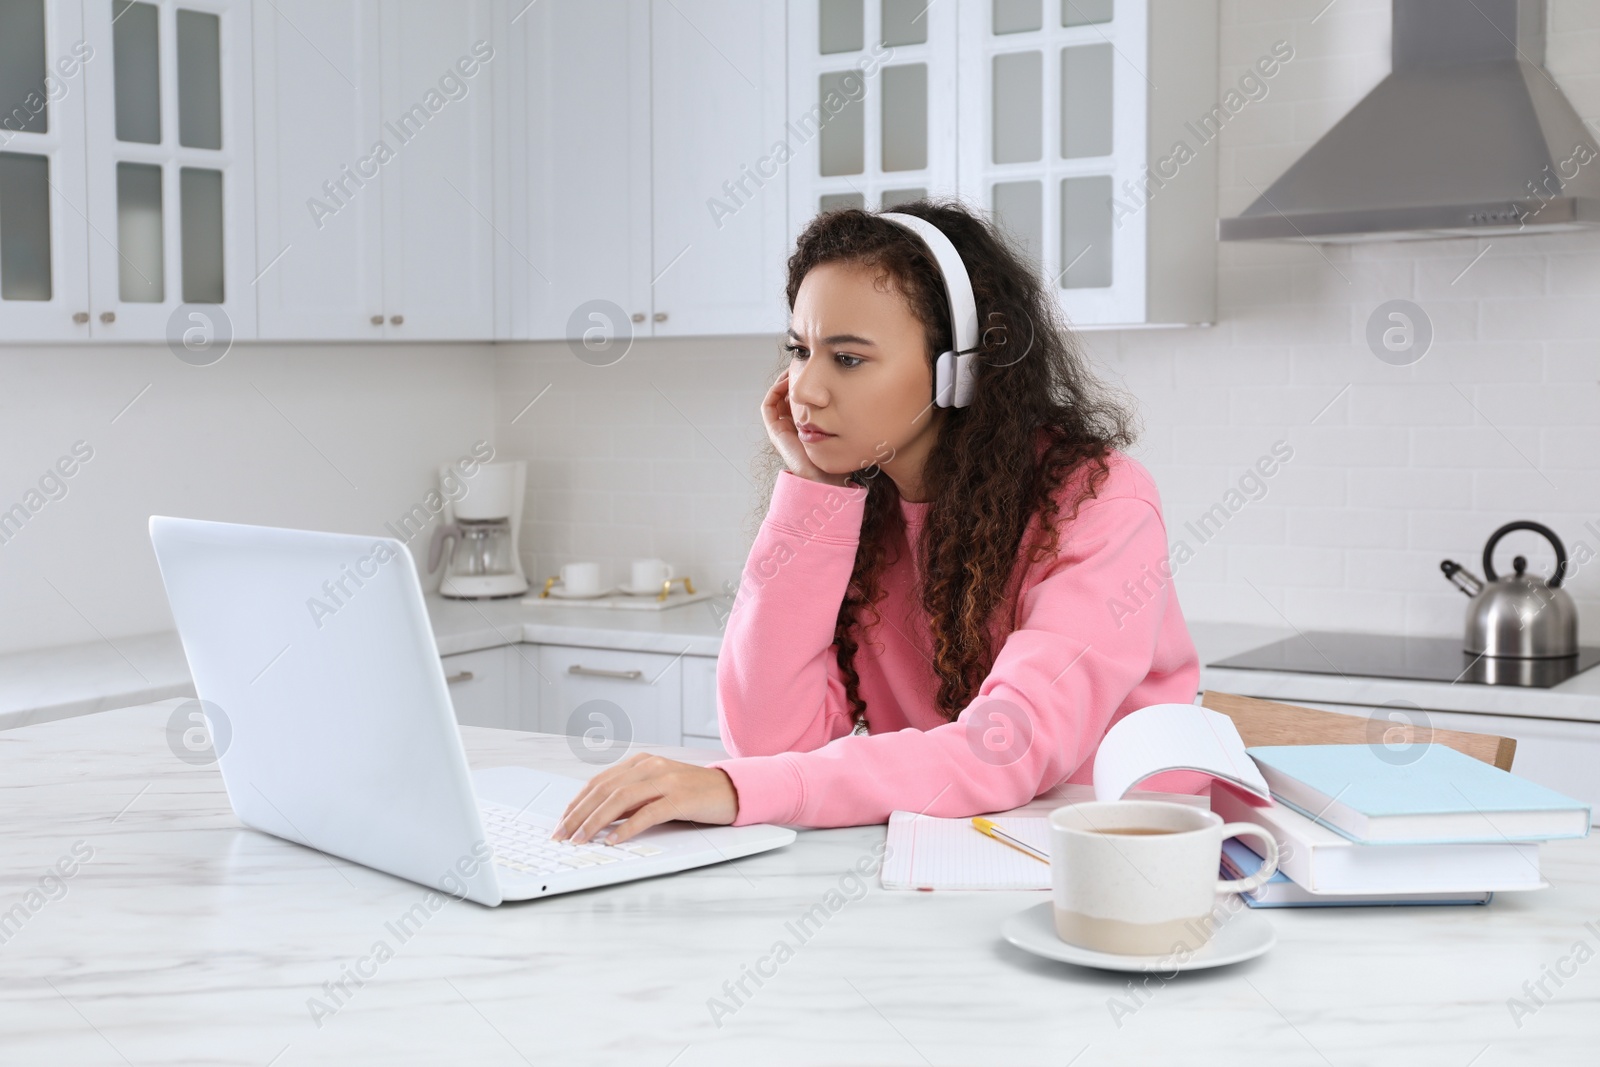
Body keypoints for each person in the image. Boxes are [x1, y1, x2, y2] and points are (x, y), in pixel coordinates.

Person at [554, 199, 1201, 847]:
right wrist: (813, 491)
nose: (803, 389)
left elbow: (1005, 746)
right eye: (799, 350)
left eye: (849, 358)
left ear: (959, 371)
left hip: (1118, 865)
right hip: (959, 850)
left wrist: (733, 788)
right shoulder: (865, 507)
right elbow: (770, 740)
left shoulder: (1100, 502)